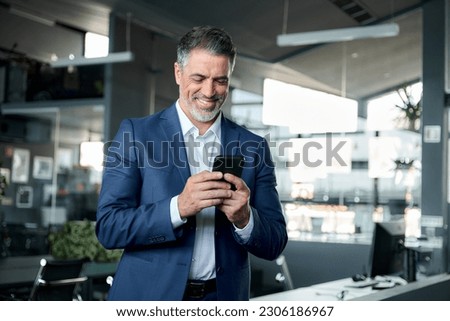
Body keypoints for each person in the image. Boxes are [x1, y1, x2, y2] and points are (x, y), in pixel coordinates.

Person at [96, 25, 288, 301]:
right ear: (178, 73)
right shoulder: (136, 134)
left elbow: (275, 243)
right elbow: (109, 228)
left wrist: (245, 219)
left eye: (220, 80)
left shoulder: (253, 146)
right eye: (198, 78)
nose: (209, 91)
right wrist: (178, 208)